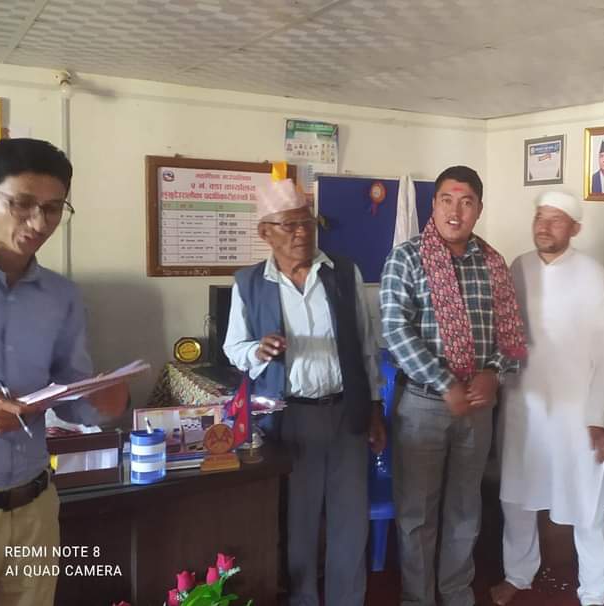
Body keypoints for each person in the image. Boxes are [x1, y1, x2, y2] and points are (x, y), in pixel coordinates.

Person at [0, 138, 129, 605]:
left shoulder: (62, 295)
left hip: (34, 509)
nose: (39, 222)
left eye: (53, 208)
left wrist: (101, 402)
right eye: (22, 204)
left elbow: (70, 392)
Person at [223, 169, 385, 606]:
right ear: (266, 232)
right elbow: (234, 348)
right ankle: (303, 599)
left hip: (346, 412)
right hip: (289, 417)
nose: (301, 233)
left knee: (350, 519)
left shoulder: (343, 272)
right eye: (290, 225)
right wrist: (259, 350)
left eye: (307, 223)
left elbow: (366, 344)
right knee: (298, 520)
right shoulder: (249, 283)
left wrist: (374, 408)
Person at [380, 165, 527, 606]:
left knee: (466, 507)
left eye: (466, 202)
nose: (455, 211)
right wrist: (445, 382)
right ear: (434, 204)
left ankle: (456, 592)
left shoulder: (493, 262)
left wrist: (493, 372)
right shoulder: (406, 258)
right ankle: (417, 598)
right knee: (416, 513)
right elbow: (395, 330)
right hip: (422, 404)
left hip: (477, 407)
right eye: (447, 200)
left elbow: (510, 334)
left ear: (479, 209)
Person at [491, 191, 604, 606]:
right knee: (515, 496)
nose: (544, 227)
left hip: (576, 411)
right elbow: (504, 334)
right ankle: (518, 574)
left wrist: (598, 418)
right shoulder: (518, 267)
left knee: (586, 501)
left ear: (575, 228)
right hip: (524, 404)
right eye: (540, 217)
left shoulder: (593, 275)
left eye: (555, 219)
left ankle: (594, 591)